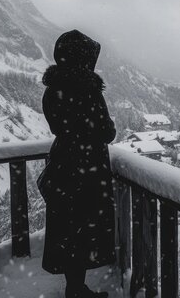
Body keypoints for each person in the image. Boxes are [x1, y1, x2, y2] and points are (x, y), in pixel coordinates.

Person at [41, 30, 116, 298]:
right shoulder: (89, 91)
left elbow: (59, 127)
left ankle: (75, 288)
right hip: (87, 171)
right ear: (84, 58)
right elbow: (106, 132)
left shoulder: (52, 91)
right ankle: (77, 290)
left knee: (69, 232)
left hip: (63, 168)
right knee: (83, 233)